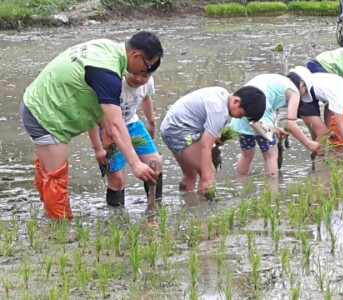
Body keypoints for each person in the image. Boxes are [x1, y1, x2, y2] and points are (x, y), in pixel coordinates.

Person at [22, 32, 163, 219]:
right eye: (148, 65)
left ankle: (48, 214)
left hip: (45, 102)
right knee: (56, 176)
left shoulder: (108, 48)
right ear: (136, 56)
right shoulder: (107, 73)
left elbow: (98, 103)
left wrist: (104, 130)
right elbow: (116, 124)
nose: (146, 71)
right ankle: (59, 231)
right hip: (44, 115)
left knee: (50, 172)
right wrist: (136, 164)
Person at [160, 86, 266, 198]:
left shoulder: (222, 93)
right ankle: (203, 210)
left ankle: (188, 207)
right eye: (242, 114)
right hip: (180, 132)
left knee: (190, 174)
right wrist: (206, 178)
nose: (241, 118)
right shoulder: (220, 111)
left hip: (169, 128)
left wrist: (215, 137)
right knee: (209, 172)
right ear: (236, 101)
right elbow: (205, 146)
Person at [87, 71, 162, 208]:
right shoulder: (113, 83)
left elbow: (145, 98)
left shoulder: (147, 81)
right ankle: (117, 219)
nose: (140, 79)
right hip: (109, 130)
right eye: (135, 74)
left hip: (133, 125)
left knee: (156, 163)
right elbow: (93, 117)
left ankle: (155, 209)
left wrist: (151, 122)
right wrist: (98, 149)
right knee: (117, 179)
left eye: (145, 76)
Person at [230, 73, 319, 178]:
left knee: (246, 154)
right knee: (271, 154)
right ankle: (272, 190)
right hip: (259, 115)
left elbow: (269, 105)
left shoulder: (277, 81)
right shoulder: (295, 92)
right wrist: (309, 144)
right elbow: (291, 125)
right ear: (302, 84)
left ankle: (241, 185)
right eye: (306, 91)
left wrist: (275, 129)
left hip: (240, 111)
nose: (303, 95)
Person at [287, 67, 343, 159]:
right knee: (322, 133)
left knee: (318, 136)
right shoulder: (340, 94)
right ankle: (318, 164)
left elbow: (328, 107)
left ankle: (315, 164)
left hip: (310, 97)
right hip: (304, 95)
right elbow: (340, 125)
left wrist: (329, 127)